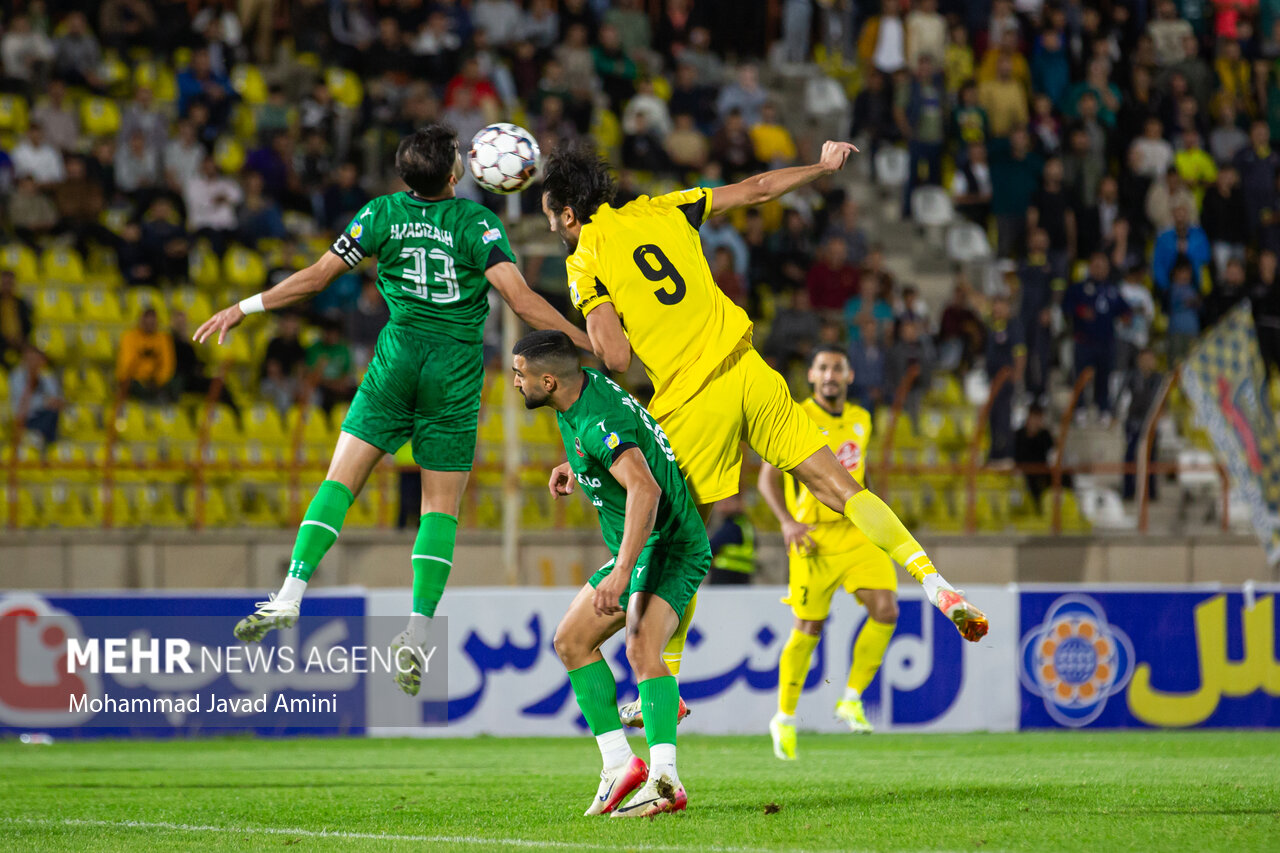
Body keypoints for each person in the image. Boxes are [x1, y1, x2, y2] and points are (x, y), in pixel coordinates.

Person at [540, 139, 988, 658]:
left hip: (693, 400)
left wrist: (591, 332)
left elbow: (615, 358)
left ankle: (667, 677)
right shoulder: (665, 207)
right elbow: (756, 190)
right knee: (840, 488)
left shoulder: (583, 260)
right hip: (750, 368)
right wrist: (821, 167)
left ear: (569, 213)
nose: (552, 228)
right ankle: (933, 580)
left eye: (552, 218)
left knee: (679, 545)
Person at [194, 125, 591, 694]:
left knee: (341, 479)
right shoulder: (479, 224)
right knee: (439, 508)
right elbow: (523, 301)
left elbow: (315, 279)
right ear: (455, 174)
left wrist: (243, 306)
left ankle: (290, 593)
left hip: (396, 360)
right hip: (453, 373)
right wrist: (587, 342)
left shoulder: (379, 214)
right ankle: (416, 631)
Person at [514, 330, 708, 818]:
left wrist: (621, 574)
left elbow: (645, 489)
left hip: (669, 543)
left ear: (550, 380)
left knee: (641, 649)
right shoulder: (584, 394)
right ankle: (620, 765)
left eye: (521, 375)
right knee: (571, 641)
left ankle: (666, 780)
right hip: (646, 542)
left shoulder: (598, 419)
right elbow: (622, 442)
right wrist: (577, 465)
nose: (516, 383)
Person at [757, 345, 898, 759]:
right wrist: (787, 521)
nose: (831, 374)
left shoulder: (862, 419)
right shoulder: (796, 416)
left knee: (886, 610)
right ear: (813, 377)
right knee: (808, 630)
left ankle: (851, 697)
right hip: (813, 539)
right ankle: (783, 717)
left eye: (838, 368)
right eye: (823, 368)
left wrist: (873, 513)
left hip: (855, 533)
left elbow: (859, 473)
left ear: (849, 376)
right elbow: (767, 478)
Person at [1122, 348, 1164, 501]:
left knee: (1151, 458)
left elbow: (1161, 400)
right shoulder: (1132, 376)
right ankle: (1128, 491)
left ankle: (1151, 492)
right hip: (1133, 422)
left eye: (1151, 359)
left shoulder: (1158, 379)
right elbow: (1122, 397)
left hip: (1151, 424)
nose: (1148, 362)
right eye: (1145, 359)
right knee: (1130, 456)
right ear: (1140, 360)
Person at [117, 307, 175, 403]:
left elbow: (167, 364)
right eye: (147, 321)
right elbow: (127, 364)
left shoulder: (163, 339)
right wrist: (143, 377)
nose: (150, 324)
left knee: (175, 383)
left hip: (156, 381)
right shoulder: (130, 337)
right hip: (135, 380)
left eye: (153, 322)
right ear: (141, 320)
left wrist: (158, 380)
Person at [9, 344, 63, 446]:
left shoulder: (47, 376)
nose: (33, 362)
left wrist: (52, 402)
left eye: (36, 358)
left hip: (44, 416)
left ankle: (47, 443)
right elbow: (19, 406)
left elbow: (55, 399)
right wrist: (43, 402)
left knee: (53, 413)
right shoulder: (17, 377)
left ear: (42, 360)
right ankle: (39, 439)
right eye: (30, 358)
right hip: (25, 418)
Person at [706, 494, 755, 584]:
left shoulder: (731, 527)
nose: (722, 507)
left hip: (725, 576)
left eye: (726, 503)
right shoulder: (744, 524)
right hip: (742, 575)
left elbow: (710, 547)